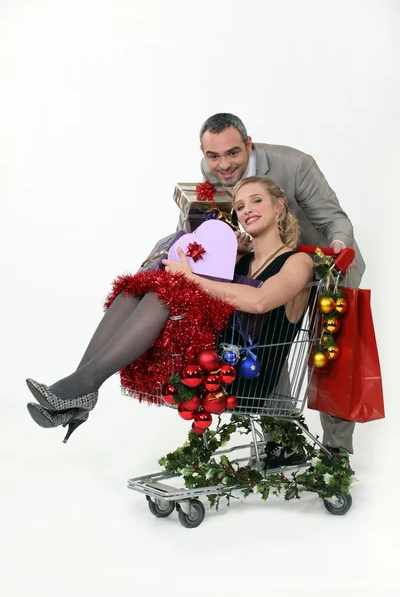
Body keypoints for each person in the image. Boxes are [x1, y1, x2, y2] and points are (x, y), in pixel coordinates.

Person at [26, 178, 314, 453]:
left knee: (165, 292)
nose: (247, 209)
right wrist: (228, 253)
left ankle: (80, 388)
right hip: (205, 358)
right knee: (136, 290)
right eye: (239, 206)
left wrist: (192, 278)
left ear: (278, 205)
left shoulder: (298, 261)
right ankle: (81, 386)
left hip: (235, 374)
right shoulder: (240, 260)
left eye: (256, 201)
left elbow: (260, 301)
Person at [193, 112, 364, 459]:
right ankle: (283, 441)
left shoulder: (296, 164)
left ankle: (337, 449)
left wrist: (338, 250)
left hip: (324, 263)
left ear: (249, 145)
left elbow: (334, 218)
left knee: (329, 354)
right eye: (213, 156)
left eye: (233, 153)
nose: (223, 165)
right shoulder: (211, 170)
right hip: (269, 263)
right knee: (267, 342)